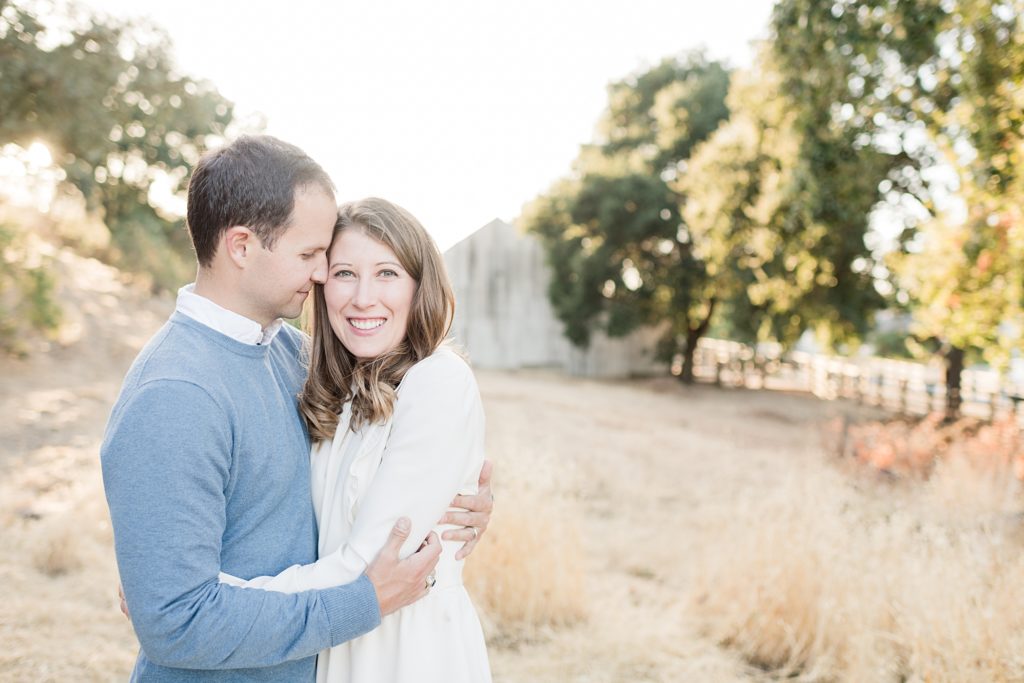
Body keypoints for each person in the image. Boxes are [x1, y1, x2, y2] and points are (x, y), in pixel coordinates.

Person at [101, 136, 493, 682]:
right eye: (312, 257)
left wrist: (458, 503)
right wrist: (162, 588)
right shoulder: (175, 393)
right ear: (242, 246)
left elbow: (374, 468)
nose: (322, 276)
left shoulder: (294, 358)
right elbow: (174, 621)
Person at [218, 198, 492, 682]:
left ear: (419, 286)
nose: (363, 297)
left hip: (408, 651)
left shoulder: (438, 381)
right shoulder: (333, 386)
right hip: (334, 640)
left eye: (387, 273)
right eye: (345, 273)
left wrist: (208, 598)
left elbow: (368, 562)